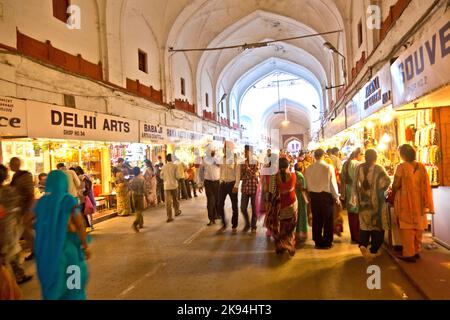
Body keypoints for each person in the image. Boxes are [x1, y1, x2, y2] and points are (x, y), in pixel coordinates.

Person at [34, 170, 90, 300]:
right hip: (68, 251)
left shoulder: (41, 202)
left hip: (47, 252)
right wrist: (85, 245)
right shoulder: (68, 200)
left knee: (52, 286)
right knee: (74, 286)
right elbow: (80, 224)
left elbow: (27, 221)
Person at [392, 144, 434, 263]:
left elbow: (396, 184)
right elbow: (426, 184)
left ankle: (409, 253)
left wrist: (395, 189)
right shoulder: (421, 166)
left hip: (406, 201)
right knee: (418, 226)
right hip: (420, 201)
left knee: (407, 228)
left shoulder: (401, 167)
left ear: (403, 154)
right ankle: (416, 251)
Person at [352, 149, 391, 261]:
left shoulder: (358, 168)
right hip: (376, 204)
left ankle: (363, 245)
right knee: (377, 226)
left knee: (364, 226)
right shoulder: (378, 168)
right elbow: (386, 182)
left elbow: (355, 184)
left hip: (363, 203)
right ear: (375, 157)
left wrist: (356, 199)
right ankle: (373, 250)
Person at [304, 149, 340, 249]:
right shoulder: (328, 167)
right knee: (328, 220)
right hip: (326, 197)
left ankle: (318, 241)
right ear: (323, 155)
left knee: (317, 219)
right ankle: (327, 242)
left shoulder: (309, 168)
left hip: (314, 197)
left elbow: (306, 184)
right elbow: (333, 184)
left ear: (314, 156)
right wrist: (336, 197)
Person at [9, 157, 35, 281]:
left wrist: (27, 210)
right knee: (25, 232)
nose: (11, 165)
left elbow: (30, 194)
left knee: (24, 233)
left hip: (23, 209)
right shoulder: (16, 177)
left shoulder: (25, 176)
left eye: (13, 163)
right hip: (18, 209)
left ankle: (36, 250)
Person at [266, 158, 298, 256]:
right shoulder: (293, 175)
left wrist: (268, 202)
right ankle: (289, 244)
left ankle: (281, 246)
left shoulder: (274, 176)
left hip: (280, 205)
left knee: (281, 226)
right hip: (292, 204)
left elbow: (271, 191)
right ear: (288, 166)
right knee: (291, 227)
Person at [0, 164, 22, 299]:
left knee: (4, 269)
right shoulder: (11, 191)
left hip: (4, 236)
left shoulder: (5, 193)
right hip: (10, 234)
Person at [341, 148, 363, 243]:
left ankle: (354, 235)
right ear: (357, 154)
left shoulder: (346, 164)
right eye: (361, 155)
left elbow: (342, 178)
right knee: (357, 214)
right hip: (356, 190)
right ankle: (358, 236)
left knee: (351, 214)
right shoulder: (357, 164)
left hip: (348, 190)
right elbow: (361, 179)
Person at [217, 144, 240, 233]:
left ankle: (234, 225)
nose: (224, 151)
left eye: (226, 150)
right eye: (223, 150)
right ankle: (224, 224)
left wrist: (236, 185)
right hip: (223, 184)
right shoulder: (221, 159)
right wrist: (220, 181)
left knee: (234, 206)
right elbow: (221, 171)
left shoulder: (235, 160)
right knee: (219, 204)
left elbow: (238, 173)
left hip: (232, 184)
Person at [239, 145, 260, 233]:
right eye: (245, 151)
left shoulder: (255, 161)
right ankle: (247, 224)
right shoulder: (242, 162)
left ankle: (253, 226)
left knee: (254, 209)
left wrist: (247, 168)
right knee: (243, 208)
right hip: (245, 187)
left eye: (247, 151)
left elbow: (254, 174)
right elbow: (240, 176)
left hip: (254, 187)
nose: (245, 153)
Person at [198, 149, 221, 226]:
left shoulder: (217, 159)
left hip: (217, 182)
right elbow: (200, 172)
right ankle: (211, 218)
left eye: (213, 151)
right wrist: (200, 184)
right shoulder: (204, 160)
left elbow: (221, 166)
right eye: (211, 151)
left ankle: (216, 215)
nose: (212, 152)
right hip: (208, 183)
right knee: (210, 201)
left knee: (217, 200)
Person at [160, 154, 182, 223]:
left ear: (166, 159)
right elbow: (177, 176)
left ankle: (169, 217)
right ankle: (176, 211)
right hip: (174, 185)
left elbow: (161, 176)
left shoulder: (163, 167)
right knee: (175, 199)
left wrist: (165, 179)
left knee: (168, 202)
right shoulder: (175, 166)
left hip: (166, 186)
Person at [74, 167, 96, 232]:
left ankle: (89, 225)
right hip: (84, 195)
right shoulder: (83, 176)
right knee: (87, 210)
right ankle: (90, 225)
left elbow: (88, 182)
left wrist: (86, 191)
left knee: (85, 210)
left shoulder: (81, 176)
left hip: (83, 195)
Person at [294, 162, 308, 241]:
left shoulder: (294, 174)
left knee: (297, 214)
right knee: (302, 214)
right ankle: (301, 232)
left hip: (295, 196)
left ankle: (297, 232)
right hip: (300, 196)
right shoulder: (300, 176)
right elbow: (302, 187)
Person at [129, 167, 146, 232]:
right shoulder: (142, 180)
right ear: (139, 172)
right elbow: (144, 189)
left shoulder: (131, 181)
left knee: (137, 210)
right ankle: (135, 223)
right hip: (140, 196)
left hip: (134, 196)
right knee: (140, 210)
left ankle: (141, 223)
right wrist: (147, 197)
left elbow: (130, 189)